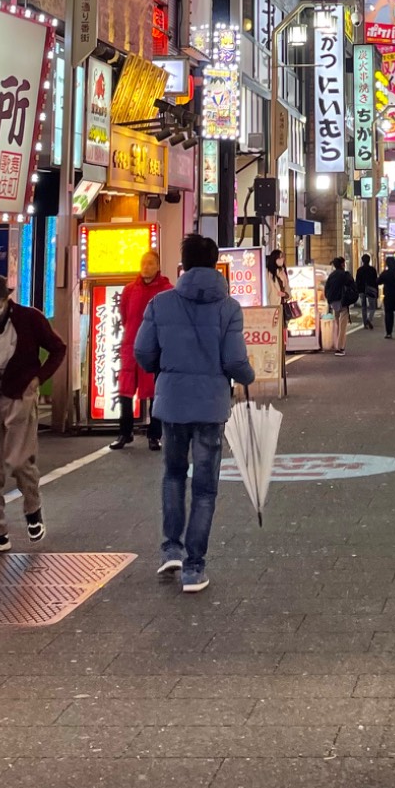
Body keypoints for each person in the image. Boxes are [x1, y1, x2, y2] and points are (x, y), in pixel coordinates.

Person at [134, 232, 254, 593]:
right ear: (216, 263)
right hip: (210, 406)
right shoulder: (228, 308)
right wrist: (247, 377)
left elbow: (143, 352)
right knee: (204, 488)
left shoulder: (160, 303)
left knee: (173, 474)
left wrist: (164, 370)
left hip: (171, 402)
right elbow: (234, 361)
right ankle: (193, 568)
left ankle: (171, 547)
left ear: (183, 265)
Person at [0, 275, 67, 555]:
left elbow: (58, 349)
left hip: (19, 392)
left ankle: (32, 508)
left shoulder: (30, 318)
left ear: (4, 300)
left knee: (20, 460)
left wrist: (38, 378)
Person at [114, 247, 171, 448]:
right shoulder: (130, 289)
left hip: (156, 348)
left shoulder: (166, 290)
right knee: (125, 391)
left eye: (150, 263)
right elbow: (124, 316)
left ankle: (154, 435)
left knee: (155, 392)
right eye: (143, 263)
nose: (146, 267)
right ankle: (124, 433)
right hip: (131, 345)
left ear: (158, 267)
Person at [323, 255, 354, 353]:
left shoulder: (331, 276)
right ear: (342, 264)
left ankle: (335, 344)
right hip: (343, 302)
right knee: (342, 326)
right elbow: (352, 285)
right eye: (344, 263)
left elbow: (326, 289)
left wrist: (329, 299)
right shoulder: (345, 275)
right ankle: (340, 347)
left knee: (336, 324)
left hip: (333, 303)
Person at [354, 254, 380, 330]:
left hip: (362, 290)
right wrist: (377, 292)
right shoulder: (372, 270)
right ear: (369, 260)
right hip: (371, 290)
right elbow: (376, 281)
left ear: (362, 261)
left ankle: (365, 323)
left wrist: (357, 290)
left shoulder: (359, 270)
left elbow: (357, 281)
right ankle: (369, 319)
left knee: (363, 307)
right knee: (372, 307)